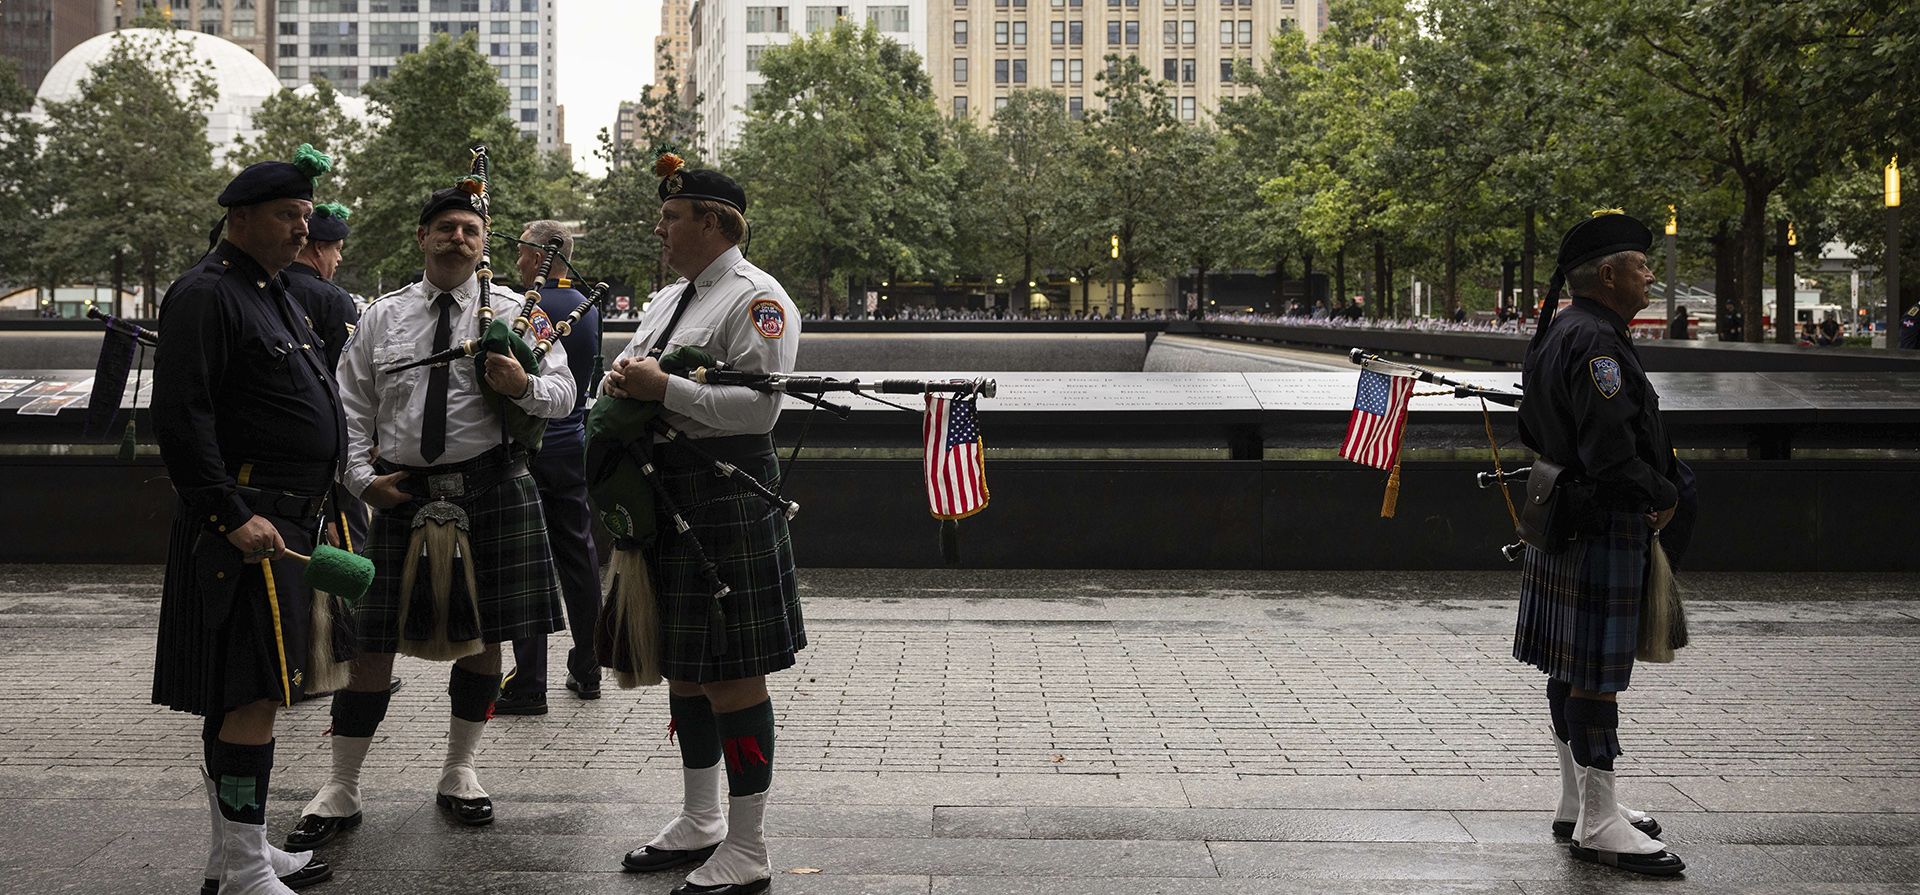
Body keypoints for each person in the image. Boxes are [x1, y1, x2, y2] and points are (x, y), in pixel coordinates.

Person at [285, 185, 576, 848]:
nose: (458, 238)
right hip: (400, 493)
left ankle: (460, 771)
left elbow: (564, 395)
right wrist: (360, 478)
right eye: (444, 228)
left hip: (491, 490)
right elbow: (349, 407)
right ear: (423, 238)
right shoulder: (382, 318)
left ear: (484, 243)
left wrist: (522, 385)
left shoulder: (513, 312)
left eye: (470, 229)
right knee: (370, 647)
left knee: (483, 641)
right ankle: (342, 785)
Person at [606, 153, 803, 895]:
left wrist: (664, 388)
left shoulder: (759, 301)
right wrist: (628, 380)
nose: (659, 229)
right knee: (685, 666)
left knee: (732, 672)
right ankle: (701, 819)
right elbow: (629, 367)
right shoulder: (668, 300)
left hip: (726, 490)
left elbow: (760, 409)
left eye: (671, 217)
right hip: (666, 494)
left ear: (713, 222)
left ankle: (748, 845)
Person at [151, 146, 342, 894]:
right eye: (287, 215)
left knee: (249, 694)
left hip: (285, 519)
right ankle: (243, 868)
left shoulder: (272, 291)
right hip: (246, 525)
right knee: (251, 696)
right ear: (240, 218)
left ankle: (240, 849)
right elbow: (182, 417)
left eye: (304, 215)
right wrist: (229, 513)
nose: (302, 228)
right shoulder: (206, 292)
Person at [1514, 211, 1689, 877]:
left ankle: (1579, 799)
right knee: (1595, 678)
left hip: (1564, 515)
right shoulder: (1599, 346)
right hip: (1602, 521)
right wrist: (1664, 493)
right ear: (1611, 275)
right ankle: (1598, 819)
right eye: (1642, 266)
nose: (1650, 275)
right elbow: (1613, 451)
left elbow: (1534, 423)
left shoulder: (1567, 330)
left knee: (1570, 666)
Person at [497, 220, 604, 715]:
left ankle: (529, 680)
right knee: (579, 557)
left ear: (542, 256)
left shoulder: (526, 308)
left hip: (529, 444)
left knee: (526, 562)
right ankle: (588, 667)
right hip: (573, 444)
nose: (516, 262)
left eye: (522, 253)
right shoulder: (587, 306)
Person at [285, 202, 370, 556]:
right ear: (319, 248)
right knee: (349, 552)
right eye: (336, 250)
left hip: (274, 460)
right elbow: (347, 380)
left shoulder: (266, 286)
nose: (338, 260)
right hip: (327, 454)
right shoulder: (332, 298)